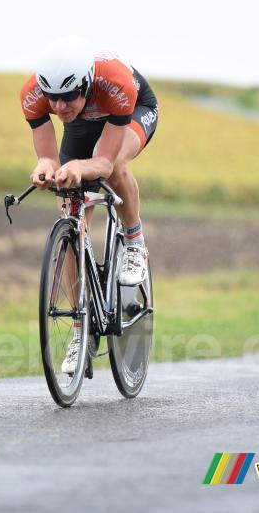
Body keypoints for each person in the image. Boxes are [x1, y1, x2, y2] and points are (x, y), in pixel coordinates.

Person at [20, 35, 159, 374]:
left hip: (130, 111)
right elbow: (48, 158)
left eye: (68, 96)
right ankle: (82, 332)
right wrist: (45, 169)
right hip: (84, 125)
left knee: (115, 170)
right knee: (68, 208)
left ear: (84, 84)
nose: (59, 106)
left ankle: (134, 242)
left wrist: (79, 168)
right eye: (53, 98)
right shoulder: (33, 96)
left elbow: (105, 164)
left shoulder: (115, 83)